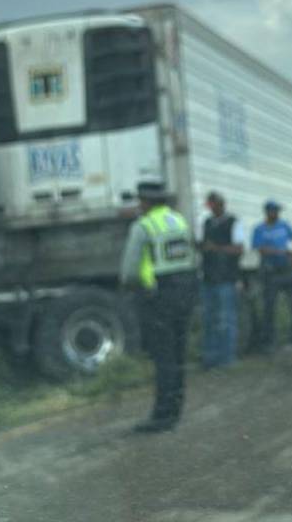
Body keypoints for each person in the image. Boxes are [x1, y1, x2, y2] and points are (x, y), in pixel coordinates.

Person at [118, 181, 197, 433]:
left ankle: (162, 415)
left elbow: (130, 271)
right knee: (178, 354)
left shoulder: (144, 226)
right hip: (184, 291)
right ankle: (175, 409)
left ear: (146, 202)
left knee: (163, 356)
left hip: (158, 296)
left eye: (140, 201)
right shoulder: (179, 221)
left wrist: (132, 288)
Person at [199, 192, 245, 368]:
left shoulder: (234, 222)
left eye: (214, 204)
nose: (212, 208)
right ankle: (211, 357)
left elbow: (239, 249)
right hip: (209, 277)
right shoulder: (207, 223)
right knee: (209, 319)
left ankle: (227, 358)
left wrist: (216, 248)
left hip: (227, 278)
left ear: (221, 205)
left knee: (226, 319)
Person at [251, 200, 292, 353]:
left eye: (278, 211)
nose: (277, 214)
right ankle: (269, 341)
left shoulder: (284, 225)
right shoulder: (260, 229)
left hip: (287, 270)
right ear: (268, 212)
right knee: (269, 307)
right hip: (270, 272)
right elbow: (260, 249)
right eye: (275, 211)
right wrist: (281, 252)